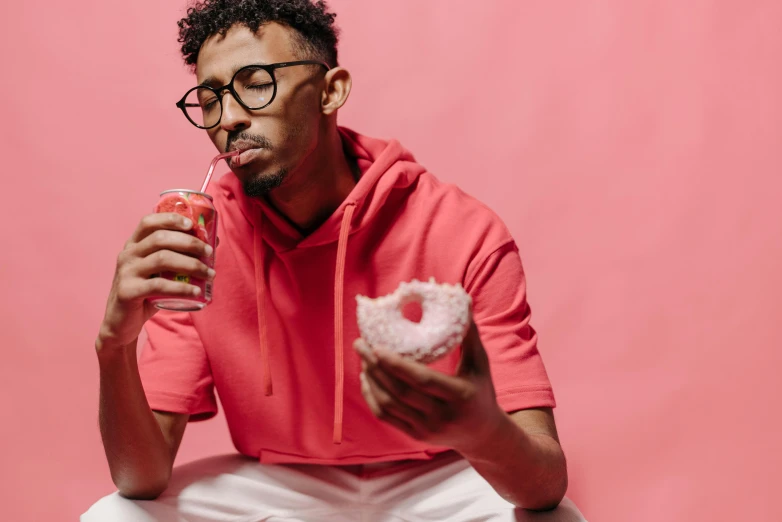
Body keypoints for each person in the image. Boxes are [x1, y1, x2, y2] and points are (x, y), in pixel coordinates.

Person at [83, 1, 587, 520]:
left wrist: (482, 430)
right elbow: (139, 479)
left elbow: (545, 483)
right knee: (114, 516)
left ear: (331, 90)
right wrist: (114, 346)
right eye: (210, 98)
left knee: (557, 518)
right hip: (277, 483)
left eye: (256, 83)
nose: (229, 118)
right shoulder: (199, 243)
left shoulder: (463, 231)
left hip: (441, 475)